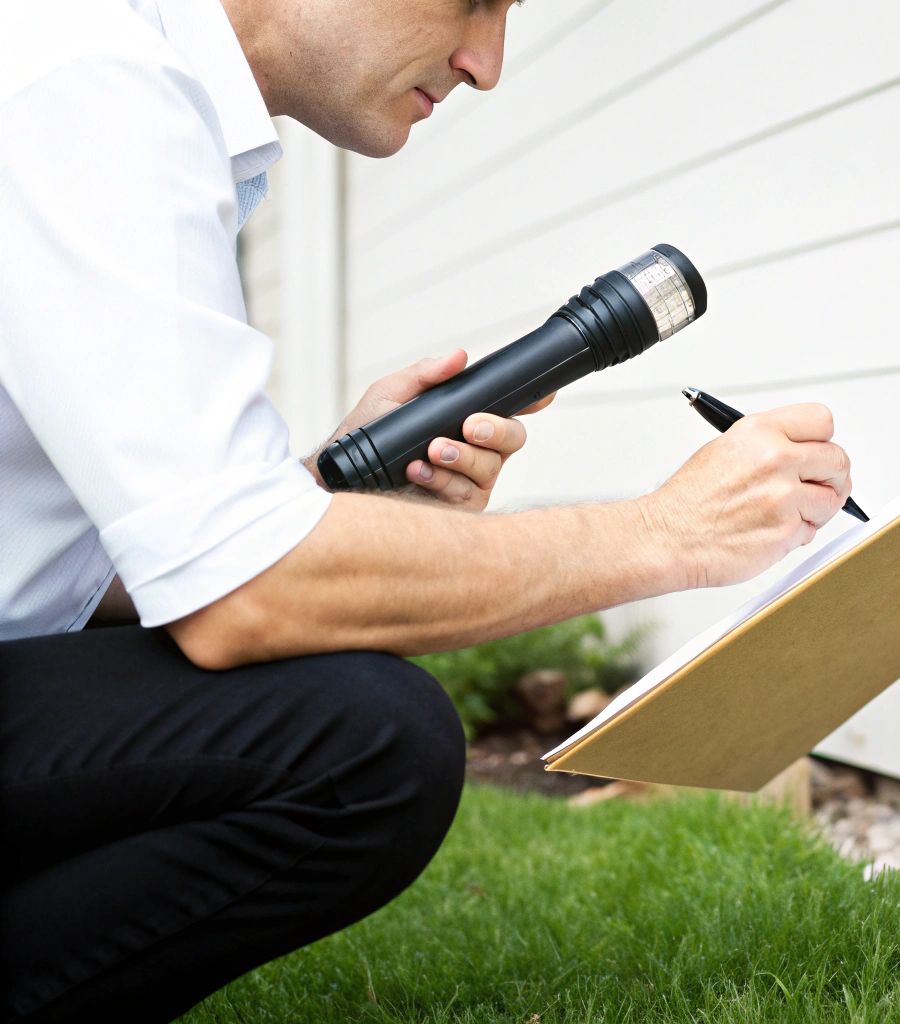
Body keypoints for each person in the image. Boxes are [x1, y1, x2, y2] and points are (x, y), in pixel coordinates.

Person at [0, 0, 855, 1019]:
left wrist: (318, 499)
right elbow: (242, 601)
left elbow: (69, 573)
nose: (484, 63)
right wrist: (666, 533)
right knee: (361, 738)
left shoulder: (123, 90)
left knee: (341, 703)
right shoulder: (88, 84)